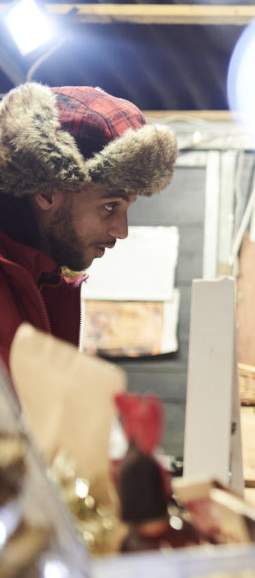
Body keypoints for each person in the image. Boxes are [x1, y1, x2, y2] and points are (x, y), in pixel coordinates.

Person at [0, 82, 177, 369]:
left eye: (126, 208)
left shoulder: (46, 282)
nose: (122, 230)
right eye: (110, 206)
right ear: (47, 193)